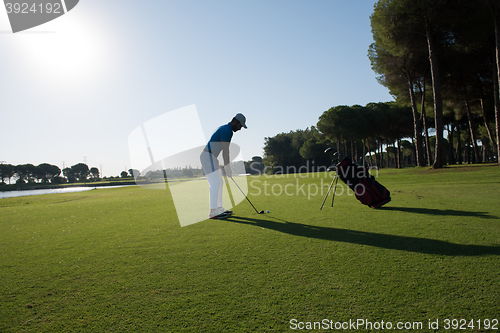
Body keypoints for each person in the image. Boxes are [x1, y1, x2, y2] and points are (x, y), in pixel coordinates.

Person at [200, 113, 247, 219]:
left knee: (219, 182)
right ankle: (213, 211)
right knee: (215, 182)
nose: (240, 129)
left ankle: (219, 208)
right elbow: (226, 152)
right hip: (208, 156)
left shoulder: (227, 129)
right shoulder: (226, 131)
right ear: (235, 121)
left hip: (212, 157)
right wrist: (228, 168)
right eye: (240, 126)